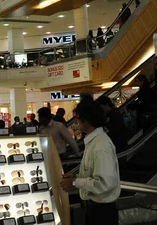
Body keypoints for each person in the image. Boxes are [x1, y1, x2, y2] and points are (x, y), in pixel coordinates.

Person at [60, 96, 120, 224]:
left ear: (85, 120)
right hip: (95, 208)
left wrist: (75, 182)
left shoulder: (100, 146)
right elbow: (95, 172)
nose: (76, 124)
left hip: (102, 212)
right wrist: (75, 176)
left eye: (77, 120)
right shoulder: (94, 142)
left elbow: (105, 184)